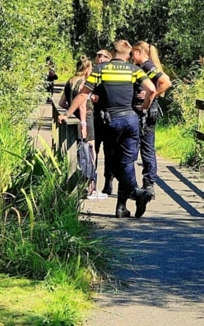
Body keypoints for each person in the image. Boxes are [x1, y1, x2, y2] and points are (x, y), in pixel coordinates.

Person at [64, 40, 156, 218]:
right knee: (127, 162)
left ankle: (137, 193)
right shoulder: (134, 70)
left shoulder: (100, 70)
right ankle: (122, 207)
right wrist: (143, 107)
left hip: (111, 121)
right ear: (128, 55)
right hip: (131, 120)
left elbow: (83, 94)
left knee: (114, 163)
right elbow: (152, 89)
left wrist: (67, 113)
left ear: (112, 53)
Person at [131, 41, 172, 195]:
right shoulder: (143, 66)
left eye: (133, 53)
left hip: (147, 111)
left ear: (139, 51)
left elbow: (166, 82)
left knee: (146, 147)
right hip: (145, 109)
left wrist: (152, 94)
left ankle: (148, 183)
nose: (131, 57)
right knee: (146, 147)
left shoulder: (147, 66)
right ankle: (148, 183)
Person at [60, 56, 102, 198]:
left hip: (74, 119)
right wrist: (84, 123)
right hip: (87, 120)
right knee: (90, 151)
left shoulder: (70, 81)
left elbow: (62, 103)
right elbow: (83, 106)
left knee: (79, 152)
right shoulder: (83, 83)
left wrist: (71, 112)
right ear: (87, 69)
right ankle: (91, 186)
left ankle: (81, 183)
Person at [91, 49, 116, 196]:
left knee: (109, 152)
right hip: (94, 117)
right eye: (98, 55)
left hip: (108, 117)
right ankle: (91, 182)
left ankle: (108, 182)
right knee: (92, 150)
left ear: (110, 59)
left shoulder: (113, 75)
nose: (100, 58)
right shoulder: (93, 73)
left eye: (104, 56)